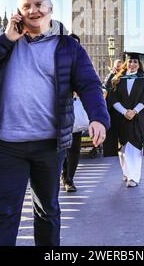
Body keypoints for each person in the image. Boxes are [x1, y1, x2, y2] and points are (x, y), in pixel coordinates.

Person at [0, 0, 110, 247]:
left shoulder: (69, 46)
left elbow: (90, 84)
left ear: (50, 9)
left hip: (49, 145)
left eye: (38, 4)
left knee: (48, 212)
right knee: (5, 214)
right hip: (5, 145)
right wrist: (5, 40)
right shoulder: (3, 38)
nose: (33, 10)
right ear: (18, 13)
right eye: (26, 6)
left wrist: (98, 118)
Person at [108, 53, 144, 187]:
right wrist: (124, 112)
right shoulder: (118, 79)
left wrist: (134, 111)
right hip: (121, 118)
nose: (132, 64)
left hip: (138, 118)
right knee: (123, 149)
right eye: (130, 62)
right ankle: (127, 173)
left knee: (134, 147)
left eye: (135, 62)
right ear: (126, 64)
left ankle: (133, 177)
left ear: (139, 65)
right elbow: (112, 99)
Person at [61, 33, 83, 193]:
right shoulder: (56, 62)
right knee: (61, 147)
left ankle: (70, 179)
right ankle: (63, 174)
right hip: (59, 111)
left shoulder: (83, 64)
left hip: (75, 110)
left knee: (74, 148)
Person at [103, 59, 122, 157]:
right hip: (111, 108)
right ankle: (111, 152)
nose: (118, 68)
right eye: (116, 66)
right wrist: (112, 74)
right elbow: (105, 87)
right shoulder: (110, 76)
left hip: (123, 108)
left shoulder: (125, 76)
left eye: (120, 66)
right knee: (111, 131)